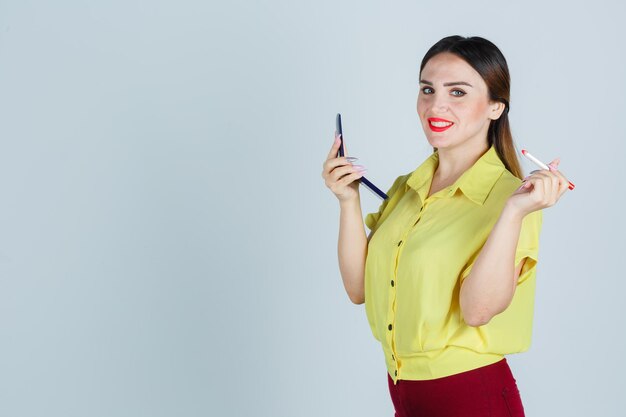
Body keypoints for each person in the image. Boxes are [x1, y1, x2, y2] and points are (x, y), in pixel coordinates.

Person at [321, 35, 571, 417]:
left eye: (457, 92)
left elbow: (478, 310)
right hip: (403, 392)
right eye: (427, 89)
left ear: (495, 107)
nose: (436, 105)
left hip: (471, 398)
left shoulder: (515, 198)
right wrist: (347, 201)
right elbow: (359, 289)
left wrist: (513, 212)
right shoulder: (407, 188)